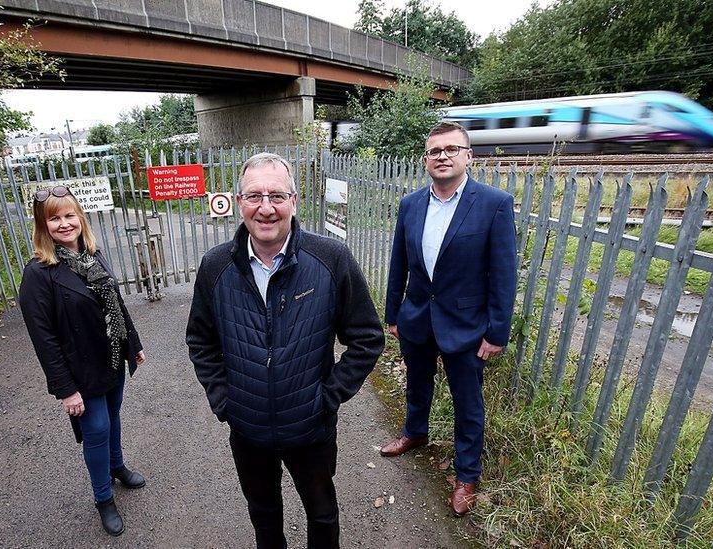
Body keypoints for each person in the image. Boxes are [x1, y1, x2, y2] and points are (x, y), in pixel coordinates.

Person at [186, 152, 384, 549]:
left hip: (310, 427)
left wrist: (326, 398)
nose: (266, 208)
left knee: (322, 513)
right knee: (263, 515)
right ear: (238, 201)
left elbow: (366, 338)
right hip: (248, 429)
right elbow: (200, 341)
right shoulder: (215, 266)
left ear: (295, 201)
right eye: (254, 196)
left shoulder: (330, 259)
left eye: (277, 195)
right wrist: (225, 400)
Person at [380, 122, 517, 516]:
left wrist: (497, 332)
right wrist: (394, 313)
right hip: (418, 318)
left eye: (451, 149)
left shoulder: (494, 203)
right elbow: (399, 263)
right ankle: (414, 433)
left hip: (468, 327)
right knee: (417, 384)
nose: (442, 156)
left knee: (468, 403)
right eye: (434, 151)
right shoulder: (411, 204)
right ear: (425, 159)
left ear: (468, 156)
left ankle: (467, 474)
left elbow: (504, 274)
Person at [18, 185, 147, 536]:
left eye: (69, 215)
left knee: (114, 417)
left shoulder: (93, 254)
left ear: (80, 217)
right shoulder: (38, 274)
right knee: (97, 429)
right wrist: (66, 390)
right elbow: (43, 340)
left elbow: (115, 304)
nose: (64, 224)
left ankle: (117, 466)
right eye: (54, 218)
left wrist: (132, 343)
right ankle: (103, 498)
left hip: (112, 359)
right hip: (81, 371)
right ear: (43, 227)